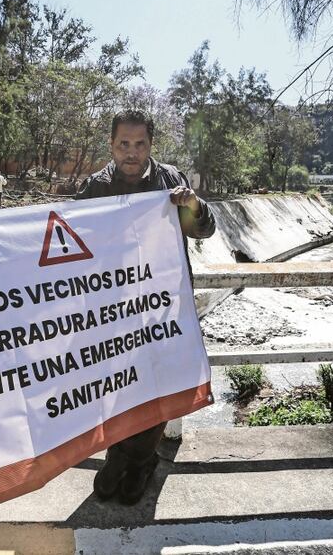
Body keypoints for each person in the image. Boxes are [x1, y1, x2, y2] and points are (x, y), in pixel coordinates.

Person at [74, 108, 216, 506]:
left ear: (151, 145)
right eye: (124, 144)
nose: (131, 153)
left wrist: (193, 206)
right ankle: (127, 458)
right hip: (112, 310)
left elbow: (203, 229)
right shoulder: (94, 187)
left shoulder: (172, 181)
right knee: (119, 388)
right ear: (112, 145)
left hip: (162, 307)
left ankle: (135, 462)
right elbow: (72, 242)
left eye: (139, 144)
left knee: (158, 388)